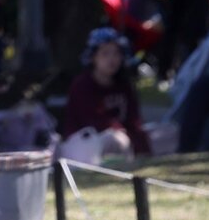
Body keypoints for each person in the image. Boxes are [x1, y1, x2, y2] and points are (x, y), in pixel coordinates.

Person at [59, 27, 151, 160]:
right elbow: (93, 121)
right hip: (85, 144)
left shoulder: (124, 85)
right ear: (93, 57)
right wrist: (120, 131)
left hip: (122, 137)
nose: (112, 59)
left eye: (116, 53)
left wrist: (143, 147)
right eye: (105, 53)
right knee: (117, 140)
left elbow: (134, 120)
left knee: (165, 133)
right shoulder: (82, 85)